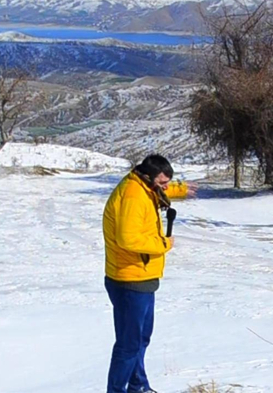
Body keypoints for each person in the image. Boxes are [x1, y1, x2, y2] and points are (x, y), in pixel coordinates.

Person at [102, 154, 197, 393]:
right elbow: (128, 238)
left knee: (141, 339)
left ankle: (138, 387)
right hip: (129, 278)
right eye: (163, 182)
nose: (166, 187)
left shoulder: (143, 186)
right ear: (148, 176)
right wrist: (162, 244)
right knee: (128, 344)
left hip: (141, 277)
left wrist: (179, 190)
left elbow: (157, 194)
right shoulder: (134, 195)